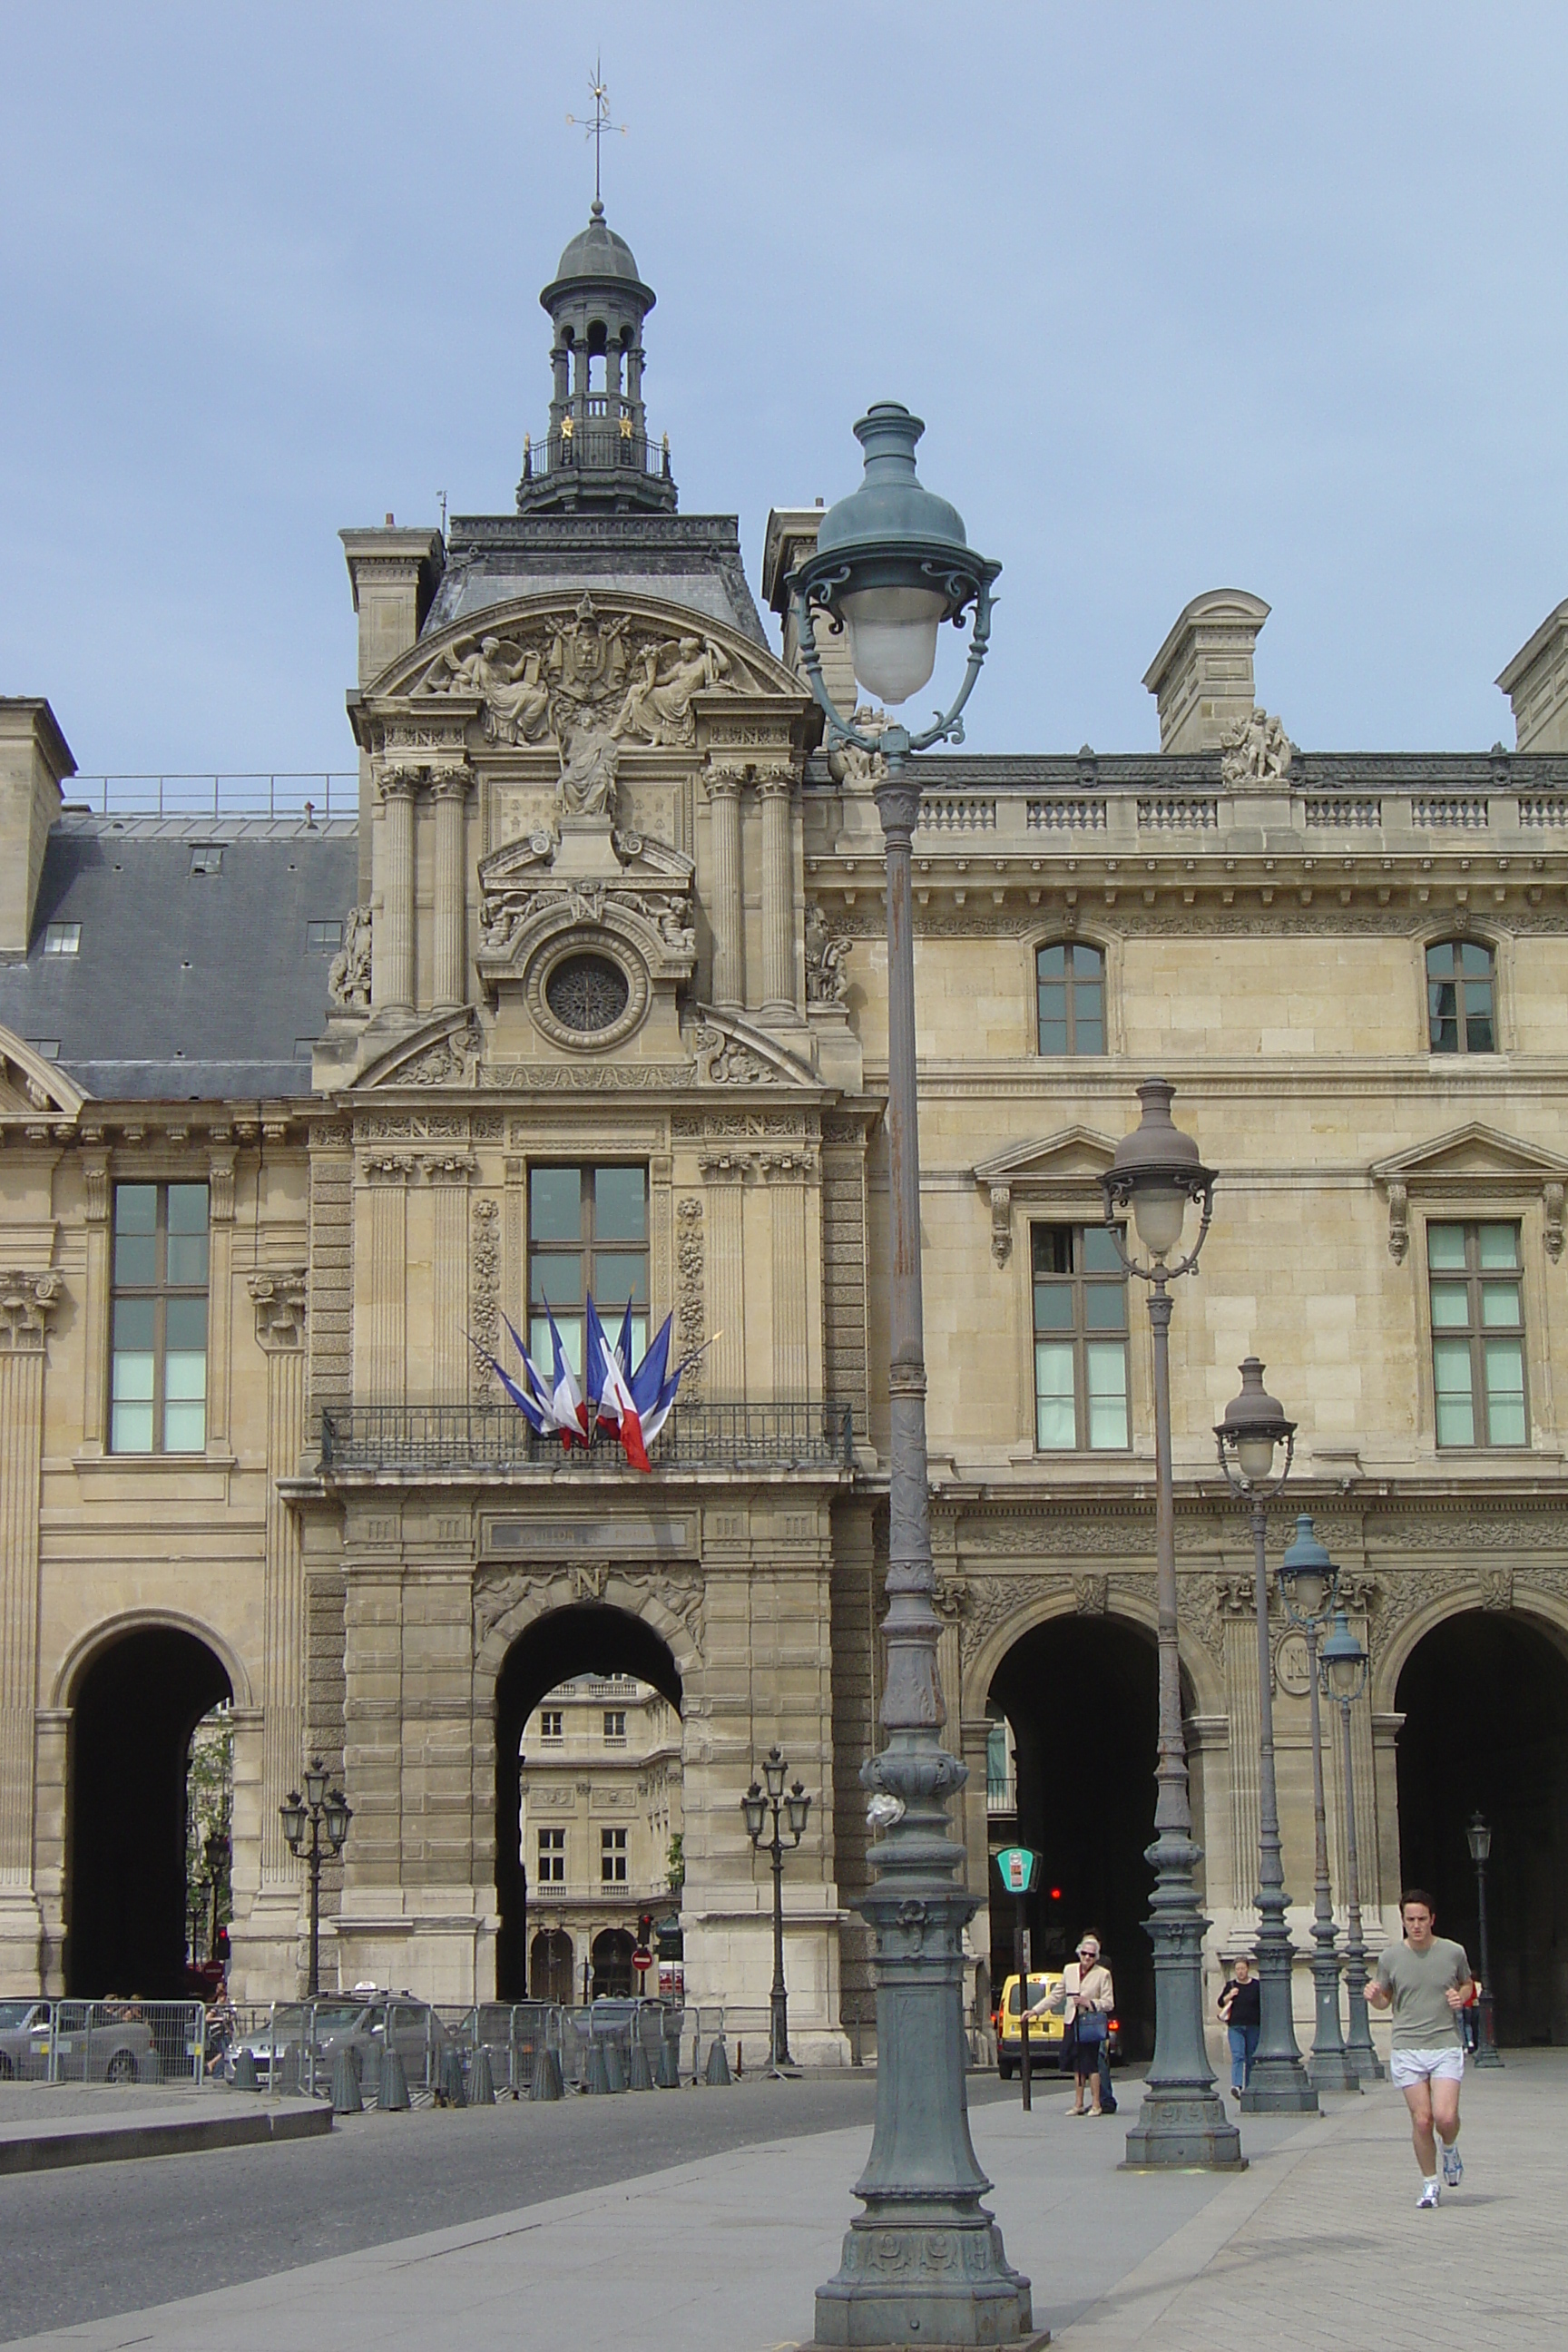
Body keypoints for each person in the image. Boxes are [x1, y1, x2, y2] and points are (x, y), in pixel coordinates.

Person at [1367, 1888, 1477, 2209]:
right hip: (1408, 2045)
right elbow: (1385, 1999)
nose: (1416, 1926)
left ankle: (1451, 2146)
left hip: (1444, 2042)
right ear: (1402, 1921)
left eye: (1422, 1920)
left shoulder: (1452, 1952)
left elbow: (1467, 1983)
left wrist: (1463, 1996)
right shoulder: (1390, 1957)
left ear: (1432, 1920)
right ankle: (1430, 2184)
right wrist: (1375, 1997)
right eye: (1410, 1920)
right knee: (1422, 2120)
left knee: (1444, 2117)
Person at [1031, 1934, 1114, 2117]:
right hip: (1072, 2021)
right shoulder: (1069, 1970)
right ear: (1079, 1953)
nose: (1087, 1958)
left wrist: (1090, 2002)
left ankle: (1096, 2104)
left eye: (1091, 1955)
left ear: (1096, 1957)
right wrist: (1035, 2011)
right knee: (1076, 2064)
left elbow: (1109, 2003)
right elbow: (1056, 1996)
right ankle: (1078, 2104)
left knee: (1091, 2064)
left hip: (1089, 2023)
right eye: (1084, 1953)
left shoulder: (1103, 1974)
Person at [1217, 1954, 1261, 2097]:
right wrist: (1230, 1995)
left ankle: (1249, 2087)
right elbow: (1220, 2002)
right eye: (1237, 1969)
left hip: (1253, 2025)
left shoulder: (1256, 1985)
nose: (1240, 1971)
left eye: (1242, 1968)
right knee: (1238, 2055)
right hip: (1235, 2025)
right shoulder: (1231, 1985)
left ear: (1248, 1969)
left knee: (1251, 2057)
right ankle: (1236, 2085)